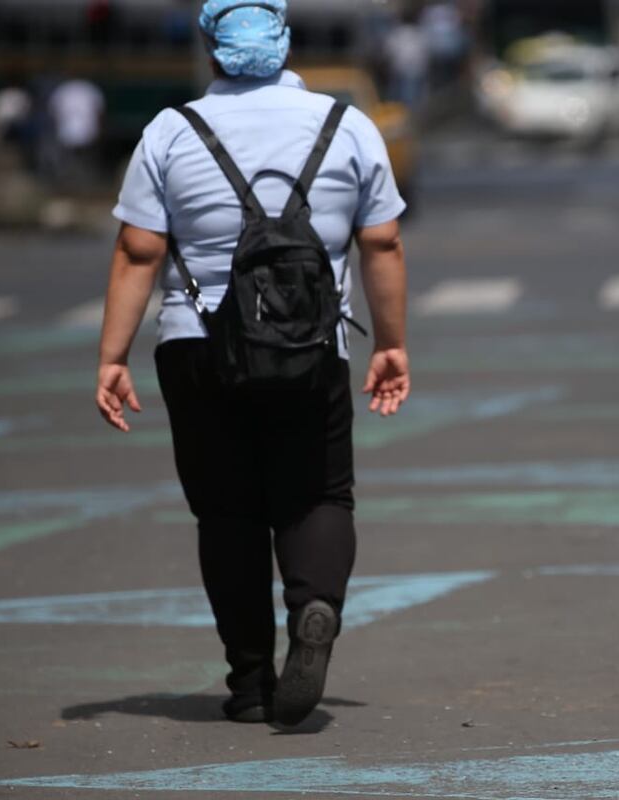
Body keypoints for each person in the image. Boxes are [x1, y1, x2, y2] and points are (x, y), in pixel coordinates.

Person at [95, 0, 411, 726]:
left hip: (197, 346)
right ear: (286, 44)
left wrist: (112, 357)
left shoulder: (171, 132)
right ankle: (316, 607)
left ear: (210, 51)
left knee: (228, 512)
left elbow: (138, 251)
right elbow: (383, 244)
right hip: (309, 348)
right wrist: (389, 344)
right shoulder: (346, 126)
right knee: (319, 495)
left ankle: (247, 682)